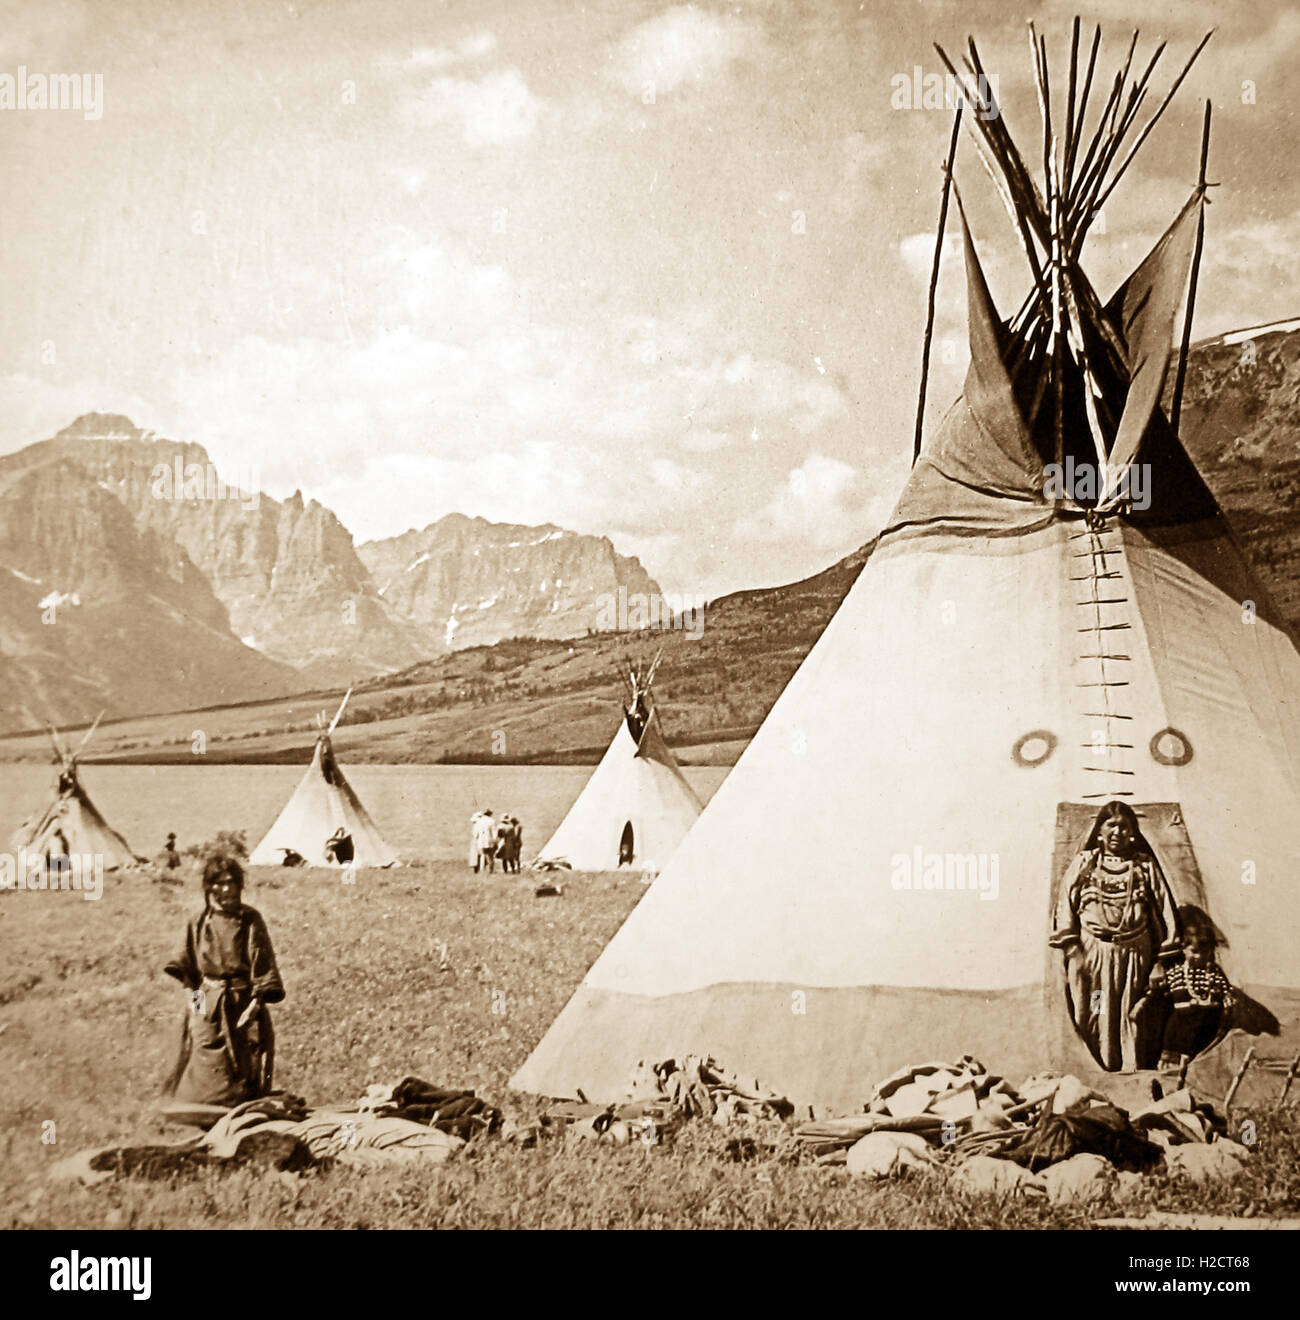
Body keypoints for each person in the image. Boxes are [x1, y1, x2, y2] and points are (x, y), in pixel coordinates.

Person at [1050, 801, 1179, 1071]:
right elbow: (1065, 903)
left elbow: (1164, 908)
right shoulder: (1085, 863)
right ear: (1100, 831)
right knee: (1096, 1010)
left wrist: (1159, 960)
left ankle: (1127, 1072)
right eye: (1111, 825)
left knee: (1127, 1012)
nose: (1117, 832)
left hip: (1133, 954)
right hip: (1094, 954)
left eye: (1124, 826)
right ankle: (1100, 1067)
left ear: (1132, 831)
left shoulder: (1143, 866)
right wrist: (1073, 949)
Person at [162, 853, 285, 1106]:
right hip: (209, 1001)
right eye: (219, 883)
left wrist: (255, 1006)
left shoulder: (250, 919)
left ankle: (244, 1119)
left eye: (232, 882)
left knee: (247, 1064)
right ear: (209, 886)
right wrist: (197, 1010)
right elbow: (190, 973)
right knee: (206, 1059)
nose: (227, 889)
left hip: (244, 1003)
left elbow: (262, 965)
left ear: (240, 885)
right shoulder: (198, 923)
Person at [1132, 905, 1235, 1068]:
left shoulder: (1213, 971)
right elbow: (1156, 992)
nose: (1199, 956)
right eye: (1194, 951)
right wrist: (1143, 1001)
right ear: (1183, 949)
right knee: (1173, 1059)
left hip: (1203, 1027)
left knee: (1198, 1061)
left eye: (1204, 951)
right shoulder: (1177, 972)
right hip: (1179, 1029)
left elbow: (1225, 990)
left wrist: (1226, 998)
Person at [471, 809, 497, 874]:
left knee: (483, 856)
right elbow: (494, 833)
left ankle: (482, 870)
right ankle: (491, 870)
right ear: (490, 814)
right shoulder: (492, 821)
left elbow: (475, 834)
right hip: (490, 841)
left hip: (481, 842)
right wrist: (495, 841)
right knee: (491, 857)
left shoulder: (479, 821)